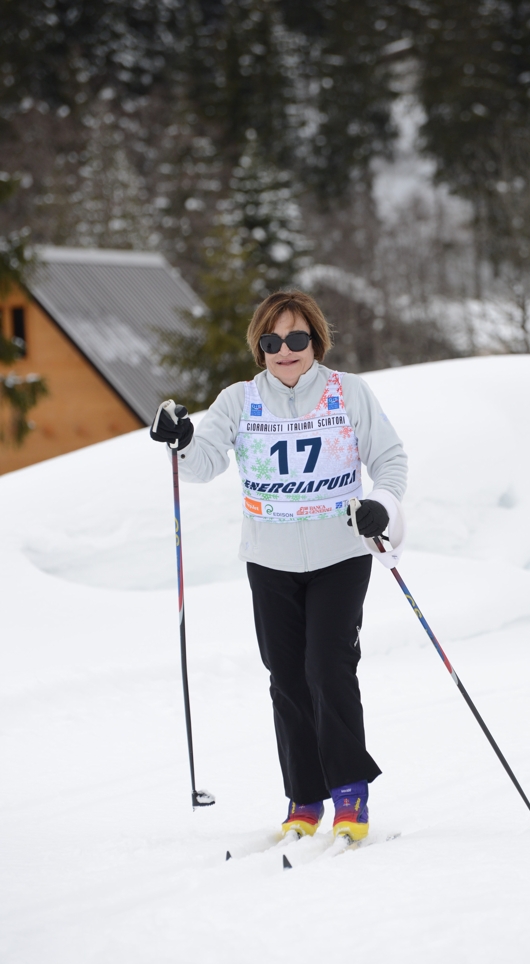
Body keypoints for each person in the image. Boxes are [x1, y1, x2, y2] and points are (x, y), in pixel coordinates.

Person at [150, 290, 407, 842]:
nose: (285, 350)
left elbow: (389, 458)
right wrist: (182, 441)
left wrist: (381, 504)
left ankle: (350, 793)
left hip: (339, 556)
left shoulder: (347, 392)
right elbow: (202, 463)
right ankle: (304, 797)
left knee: (327, 668)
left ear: (316, 341)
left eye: (296, 338)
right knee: (287, 677)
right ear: (259, 347)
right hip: (269, 560)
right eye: (272, 341)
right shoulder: (239, 400)